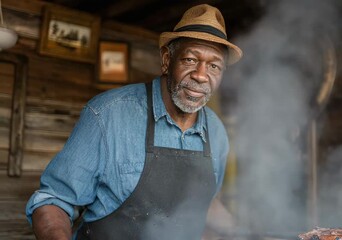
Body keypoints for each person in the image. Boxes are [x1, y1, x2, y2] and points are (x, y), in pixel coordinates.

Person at [25, 4, 243, 240]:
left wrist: (245, 234)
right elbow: (54, 201)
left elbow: (206, 203)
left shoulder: (217, 132)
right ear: (167, 60)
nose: (201, 75)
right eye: (190, 60)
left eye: (214, 66)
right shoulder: (108, 114)